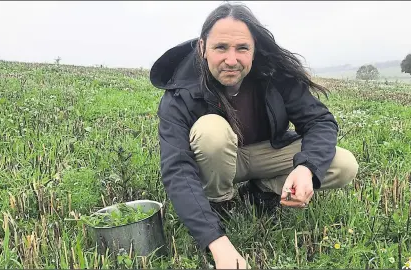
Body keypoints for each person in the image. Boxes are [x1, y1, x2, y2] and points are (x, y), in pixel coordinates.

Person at [149, 2, 359, 269]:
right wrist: (216, 242)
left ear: (254, 48)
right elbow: (177, 169)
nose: (231, 59)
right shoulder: (181, 92)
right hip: (217, 162)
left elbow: (320, 121)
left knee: (343, 164)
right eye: (220, 47)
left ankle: (261, 192)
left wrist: (306, 168)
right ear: (203, 48)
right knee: (210, 131)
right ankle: (219, 203)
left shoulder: (275, 74)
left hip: (265, 152)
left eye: (242, 48)